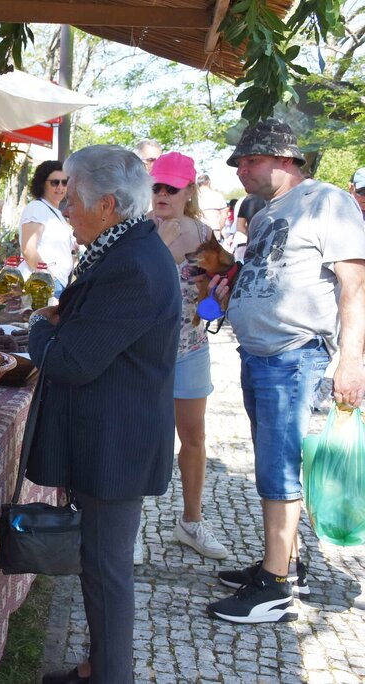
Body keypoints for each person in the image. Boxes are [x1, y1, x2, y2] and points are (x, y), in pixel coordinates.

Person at [30, 145, 180, 684]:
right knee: (99, 563)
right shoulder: (125, 247)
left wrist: (39, 327)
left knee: (106, 568)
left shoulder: (132, 263)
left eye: (72, 197)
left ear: (108, 205)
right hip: (112, 433)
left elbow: (70, 361)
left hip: (118, 442)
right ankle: (100, 665)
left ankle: (111, 675)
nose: (65, 206)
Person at [207, 119, 365, 624]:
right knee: (271, 462)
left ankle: (274, 589)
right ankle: (285, 564)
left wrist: (351, 361)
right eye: (238, 162)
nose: (241, 169)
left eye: (251, 160)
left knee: (278, 467)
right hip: (261, 354)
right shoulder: (267, 211)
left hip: (294, 355)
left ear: (286, 159)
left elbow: (355, 284)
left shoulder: (326, 201)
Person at [150, 152, 228, 560]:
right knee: (143, 435)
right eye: (156, 186)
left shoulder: (204, 235)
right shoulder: (138, 230)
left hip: (191, 347)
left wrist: (216, 299)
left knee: (194, 437)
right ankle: (128, 526)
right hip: (145, 352)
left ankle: (192, 521)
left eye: (172, 188)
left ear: (189, 191)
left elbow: (213, 304)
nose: (162, 194)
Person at [18, 160, 73, 297]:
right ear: (42, 183)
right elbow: (28, 249)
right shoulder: (37, 208)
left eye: (64, 182)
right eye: (55, 182)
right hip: (44, 285)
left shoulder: (54, 211)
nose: (60, 187)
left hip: (56, 283)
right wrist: (49, 279)